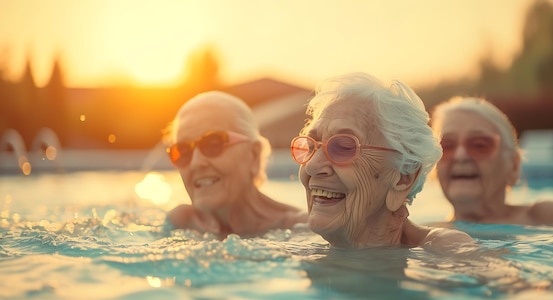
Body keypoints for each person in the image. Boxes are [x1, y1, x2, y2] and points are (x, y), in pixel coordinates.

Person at [291, 72, 474, 250]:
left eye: (344, 147)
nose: (312, 166)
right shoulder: (293, 243)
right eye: (311, 146)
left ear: (403, 177)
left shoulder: (444, 251)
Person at [163, 91, 307, 237]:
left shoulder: (303, 230)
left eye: (212, 144)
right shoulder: (180, 222)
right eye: (182, 151)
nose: (195, 163)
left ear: (253, 154)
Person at [430, 96, 553, 225]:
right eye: (447, 146)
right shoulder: (424, 239)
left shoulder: (544, 217)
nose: (460, 156)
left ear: (514, 166)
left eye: (479, 145)